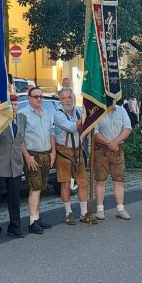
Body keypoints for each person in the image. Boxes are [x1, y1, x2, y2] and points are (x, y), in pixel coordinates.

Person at [0, 93, 26, 241]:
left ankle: (14, 227)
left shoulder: (22, 119)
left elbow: (21, 141)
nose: (14, 108)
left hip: (15, 165)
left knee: (15, 199)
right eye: (11, 105)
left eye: (16, 105)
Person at [22, 86, 56, 234]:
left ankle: (37, 217)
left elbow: (51, 134)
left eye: (41, 96)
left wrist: (53, 152)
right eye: (36, 96)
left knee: (41, 187)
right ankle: (32, 221)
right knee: (35, 188)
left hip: (46, 155)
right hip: (32, 156)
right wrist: (27, 156)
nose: (39, 99)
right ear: (29, 98)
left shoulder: (46, 113)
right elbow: (20, 139)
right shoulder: (23, 115)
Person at [53, 87, 90, 224]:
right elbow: (72, 127)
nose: (67, 101)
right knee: (65, 184)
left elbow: (85, 128)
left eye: (69, 97)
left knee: (82, 183)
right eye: (64, 98)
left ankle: (84, 213)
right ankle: (68, 213)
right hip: (64, 151)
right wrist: (86, 118)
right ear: (60, 100)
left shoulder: (79, 112)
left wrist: (89, 118)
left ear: (73, 98)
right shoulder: (58, 114)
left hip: (78, 151)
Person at [93, 101, 132, 220]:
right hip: (101, 149)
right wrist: (109, 143)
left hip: (117, 149)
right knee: (100, 180)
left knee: (119, 180)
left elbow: (127, 127)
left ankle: (120, 209)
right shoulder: (97, 111)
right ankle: (100, 209)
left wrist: (115, 142)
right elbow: (94, 132)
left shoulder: (121, 110)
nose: (112, 101)